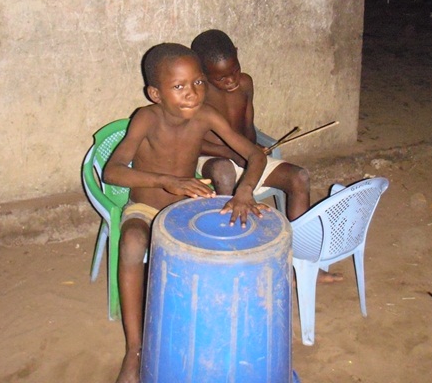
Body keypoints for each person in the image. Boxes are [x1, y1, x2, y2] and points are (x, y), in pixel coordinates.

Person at [102, 42, 269, 383]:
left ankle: (215, 319)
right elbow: (113, 171)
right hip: (148, 207)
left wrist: (244, 190)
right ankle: (134, 350)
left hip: (184, 211)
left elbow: (256, 155)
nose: (192, 93)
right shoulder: (146, 118)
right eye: (178, 87)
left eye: (197, 83)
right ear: (156, 93)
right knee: (132, 242)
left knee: (231, 230)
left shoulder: (207, 116)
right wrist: (167, 181)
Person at [190, 29, 343, 282]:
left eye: (234, 71)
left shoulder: (246, 83)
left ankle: (300, 266)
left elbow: (249, 126)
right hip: (211, 157)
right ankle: (237, 265)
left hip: (246, 155)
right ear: (203, 73)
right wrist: (232, 153)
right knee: (223, 171)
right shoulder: (198, 95)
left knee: (299, 177)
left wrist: (255, 150)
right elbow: (193, 145)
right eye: (221, 78)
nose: (231, 81)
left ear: (238, 56)